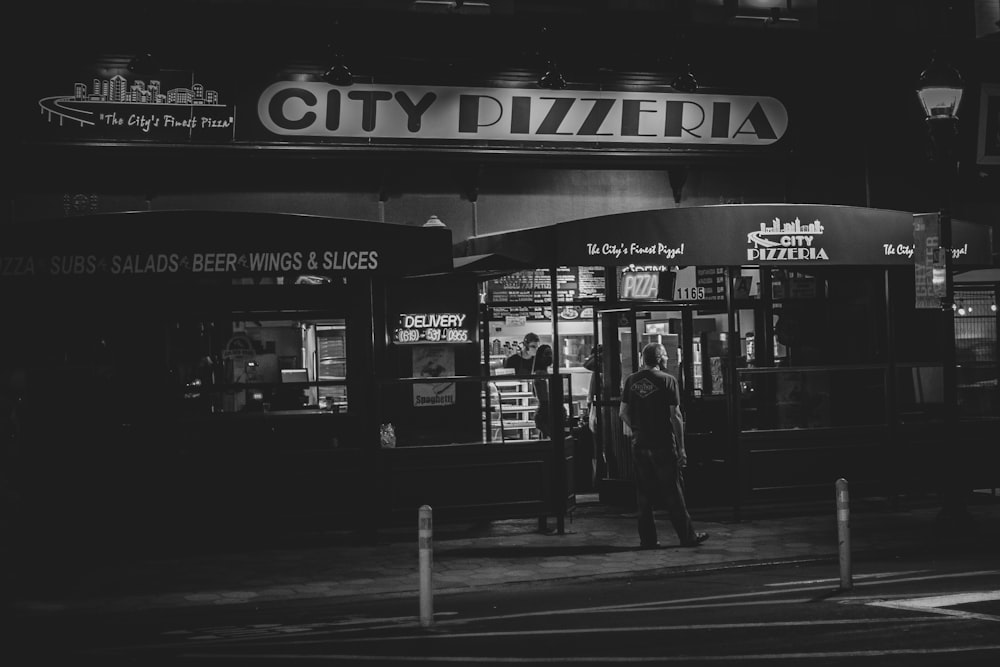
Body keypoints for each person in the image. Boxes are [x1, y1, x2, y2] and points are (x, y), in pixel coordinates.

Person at [619, 342, 709, 549]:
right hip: (662, 443)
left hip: (639, 443)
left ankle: (648, 540)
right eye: (666, 356)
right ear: (659, 358)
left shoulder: (631, 380)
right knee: (673, 491)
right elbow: (675, 415)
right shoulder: (668, 380)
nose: (668, 359)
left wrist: (637, 429)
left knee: (643, 494)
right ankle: (687, 537)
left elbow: (622, 412)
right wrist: (682, 447)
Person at [531, 344, 554, 438]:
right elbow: (544, 395)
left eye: (550, 354)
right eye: (547, 354)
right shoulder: (540, 374)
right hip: (544, 410)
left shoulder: (542, 373)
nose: (549, 357)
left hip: (544, 410)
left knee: (545, 438)